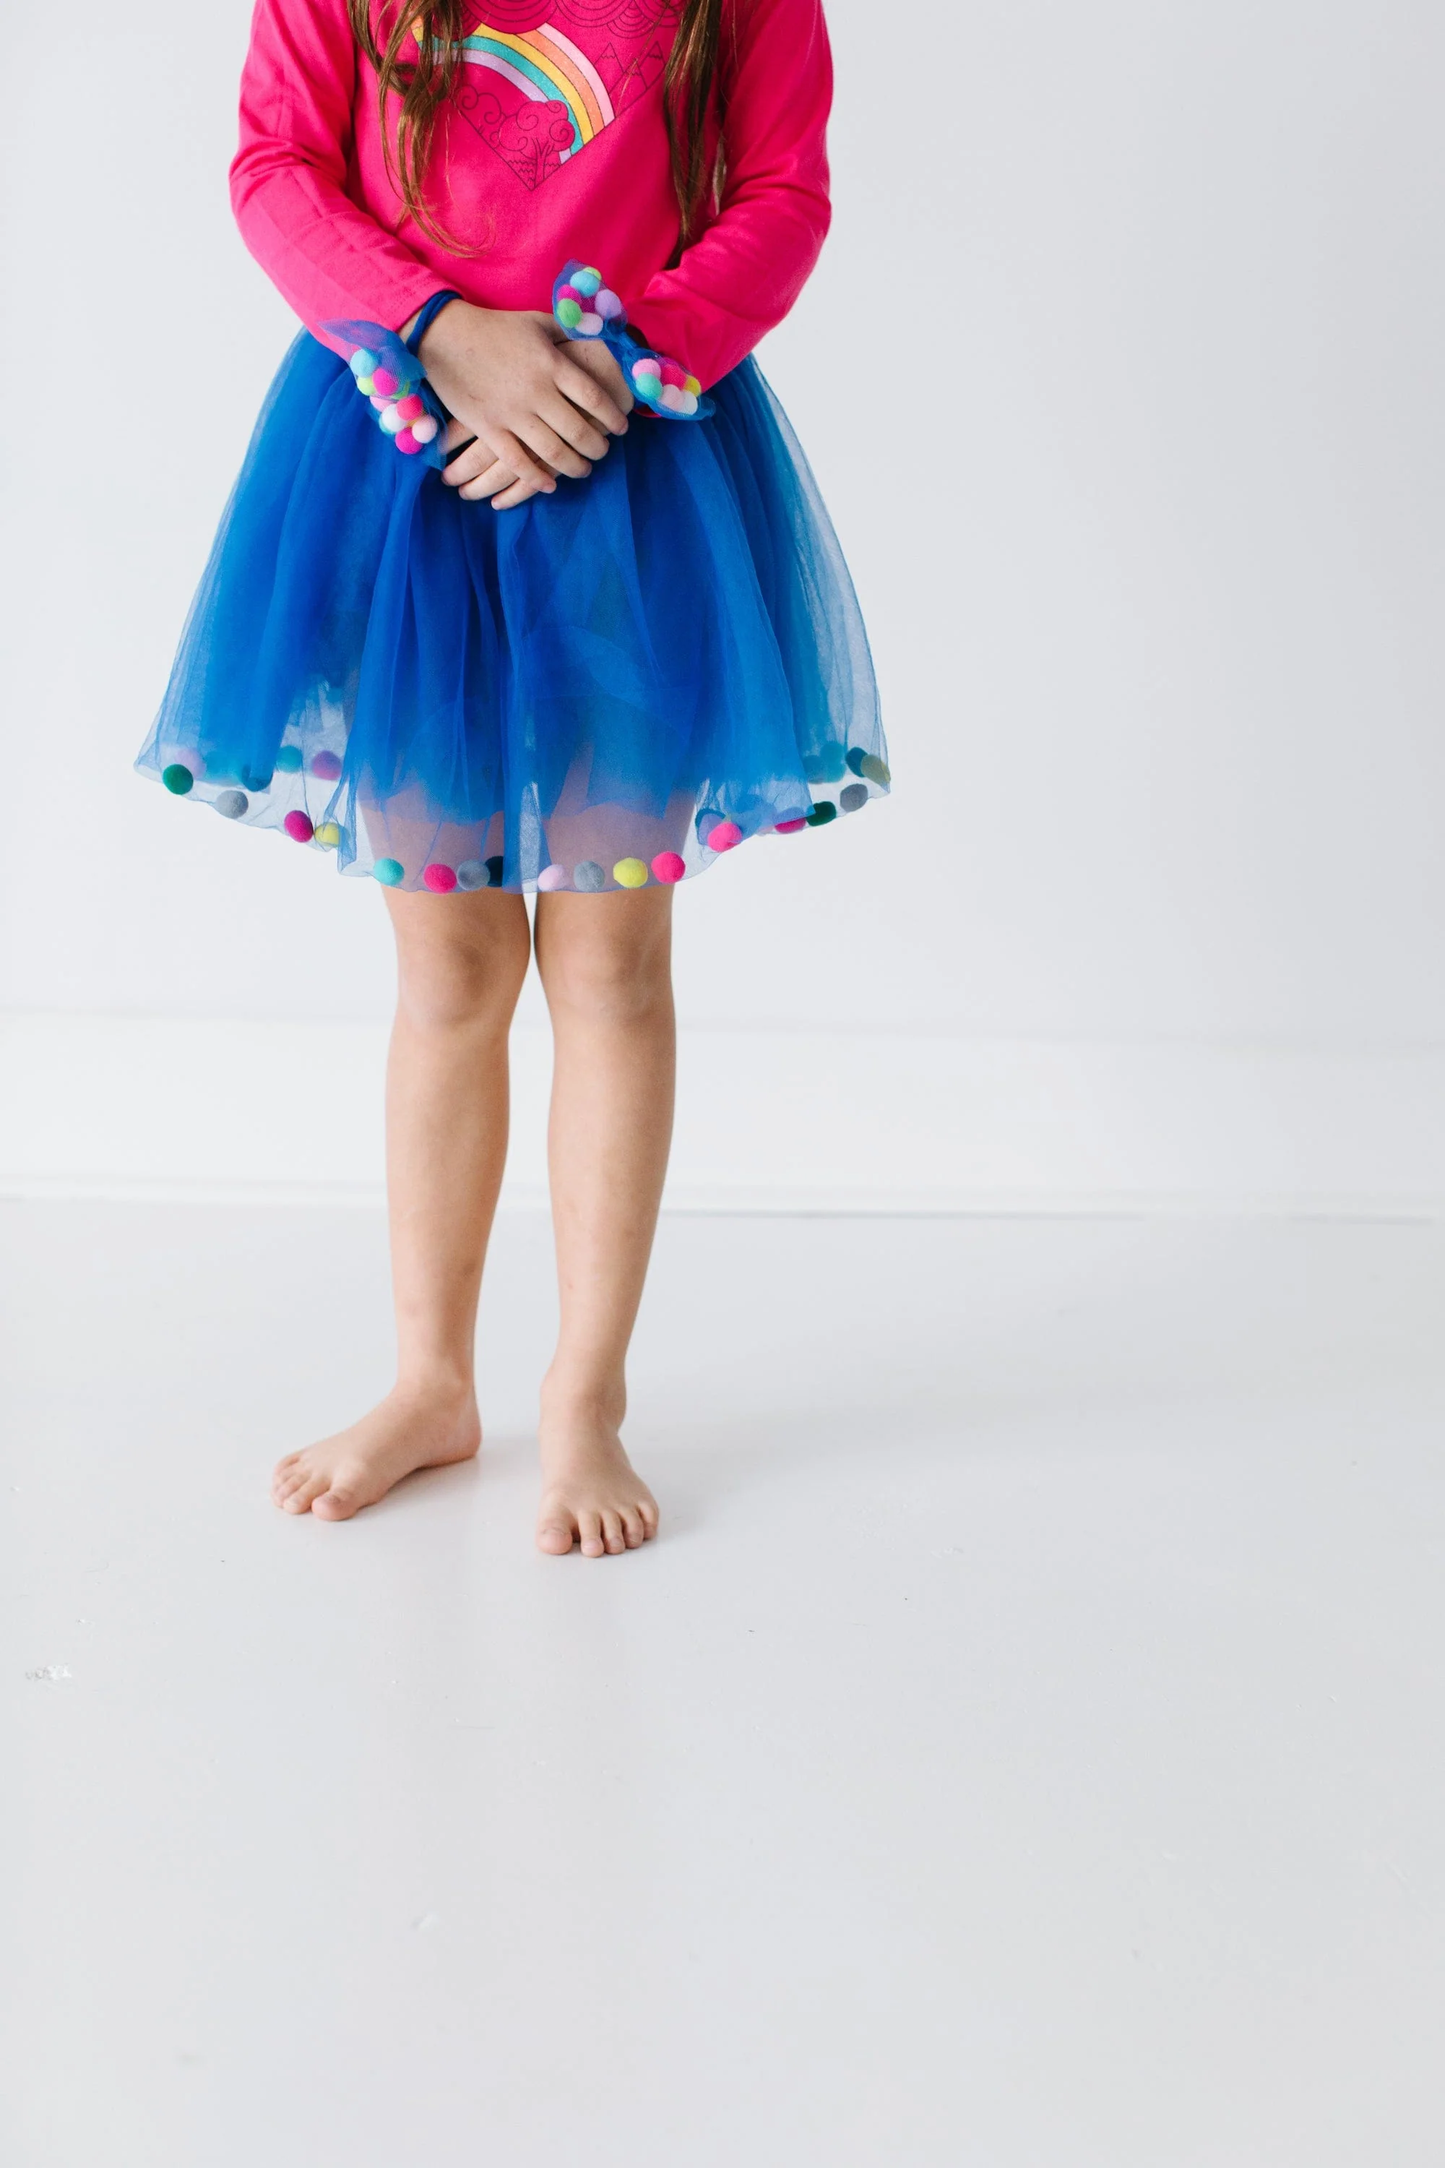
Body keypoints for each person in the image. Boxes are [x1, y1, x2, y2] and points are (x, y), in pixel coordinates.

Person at [135, 0, 888, 1551]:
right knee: (450, 963)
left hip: (636, 473)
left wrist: (612, 368)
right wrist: (434, 329)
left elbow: (781, 193)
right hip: (401, 466)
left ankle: (585, 1392)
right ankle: (431, 1380)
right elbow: (276, 163)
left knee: (609, 958)